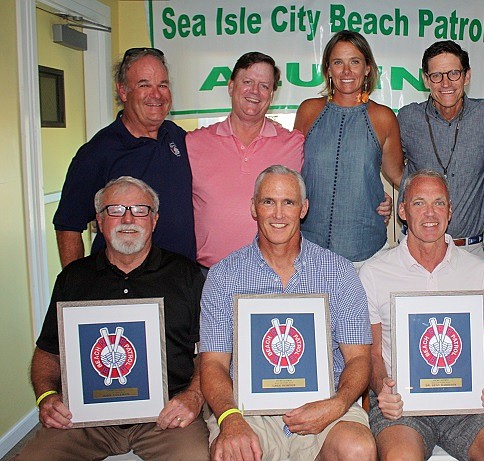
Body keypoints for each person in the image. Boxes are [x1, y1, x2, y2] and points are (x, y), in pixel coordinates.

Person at [15, 176, 208, 460]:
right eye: (115, 210)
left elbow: (211, 352)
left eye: (140, 210)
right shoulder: (74, 277)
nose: (128, 219)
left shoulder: (187, 275)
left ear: (154, 220)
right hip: (83, 418)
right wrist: (46, 397)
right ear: (98, 221)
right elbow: (47, 353)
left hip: (166, 415)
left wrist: (194, 395)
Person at [200, 165, 376, 461]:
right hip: (248, 413)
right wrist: (230, 418)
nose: (278, 214)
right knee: (232, 452)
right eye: (268, 202)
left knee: (358, 448)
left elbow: (359, 358)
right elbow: (214, 364)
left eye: (289, 202)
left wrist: (338, 403)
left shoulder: (339, 272)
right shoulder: (223, 276)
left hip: (326, 407)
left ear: (303, 209)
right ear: (254, 208)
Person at [359, 170, 484, 461]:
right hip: (401, 403)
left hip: (466, 401)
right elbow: (373, 353)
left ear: (450, 211)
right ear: (402, 210)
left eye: (439, 203)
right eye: (418, 203)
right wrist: (382, 389)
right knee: (400, 457)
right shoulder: (374, 272)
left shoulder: (478, 270)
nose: (430, 213)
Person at [53, 48, 196, 266]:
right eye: (144, 85)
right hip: (124, 288)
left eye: (163, 85)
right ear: (123, 91)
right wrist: (77, 287)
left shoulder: (176, 136)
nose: (156, 95)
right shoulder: (97, 153)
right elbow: (68, 226)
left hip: (181, 282)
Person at [294, 30, 404, 266]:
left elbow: (398, 175)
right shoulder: (308, 111)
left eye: (354, 62)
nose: (346, 71)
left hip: (365, 252)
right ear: (328, 69)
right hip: (308, 250)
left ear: (367, 68)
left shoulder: (383, 117)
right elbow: (294, 171)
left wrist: (428, 196)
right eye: (338, 62)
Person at [186, 52, 304, 269]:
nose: (255, 92)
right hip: (208, 274)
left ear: (271, 95)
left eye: (264, 86)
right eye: (247, 82)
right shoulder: (193, 143)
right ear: (231, 86)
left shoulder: (295, 144)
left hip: (273, 277)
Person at [397, 40, 484, 258]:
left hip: (469, 249)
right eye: (436, 75)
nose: (445, 83)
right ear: (426, 80)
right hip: (415, 246)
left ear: (467, 76)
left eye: (454, 73)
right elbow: (384, 160)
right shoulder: (408, 118)